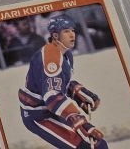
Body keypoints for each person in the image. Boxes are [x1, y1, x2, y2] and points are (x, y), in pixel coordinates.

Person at [19, 15, 107, 148]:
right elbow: (52, 96)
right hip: (38, 115)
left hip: (50, 110)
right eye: (66, 31)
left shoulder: (65, 55)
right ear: (55, 35)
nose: (72, 35)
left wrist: (74, 89)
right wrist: (79, 121)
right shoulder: (51, 56)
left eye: (73, 30)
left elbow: (53, 84)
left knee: (97, 145)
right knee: (92, 146)